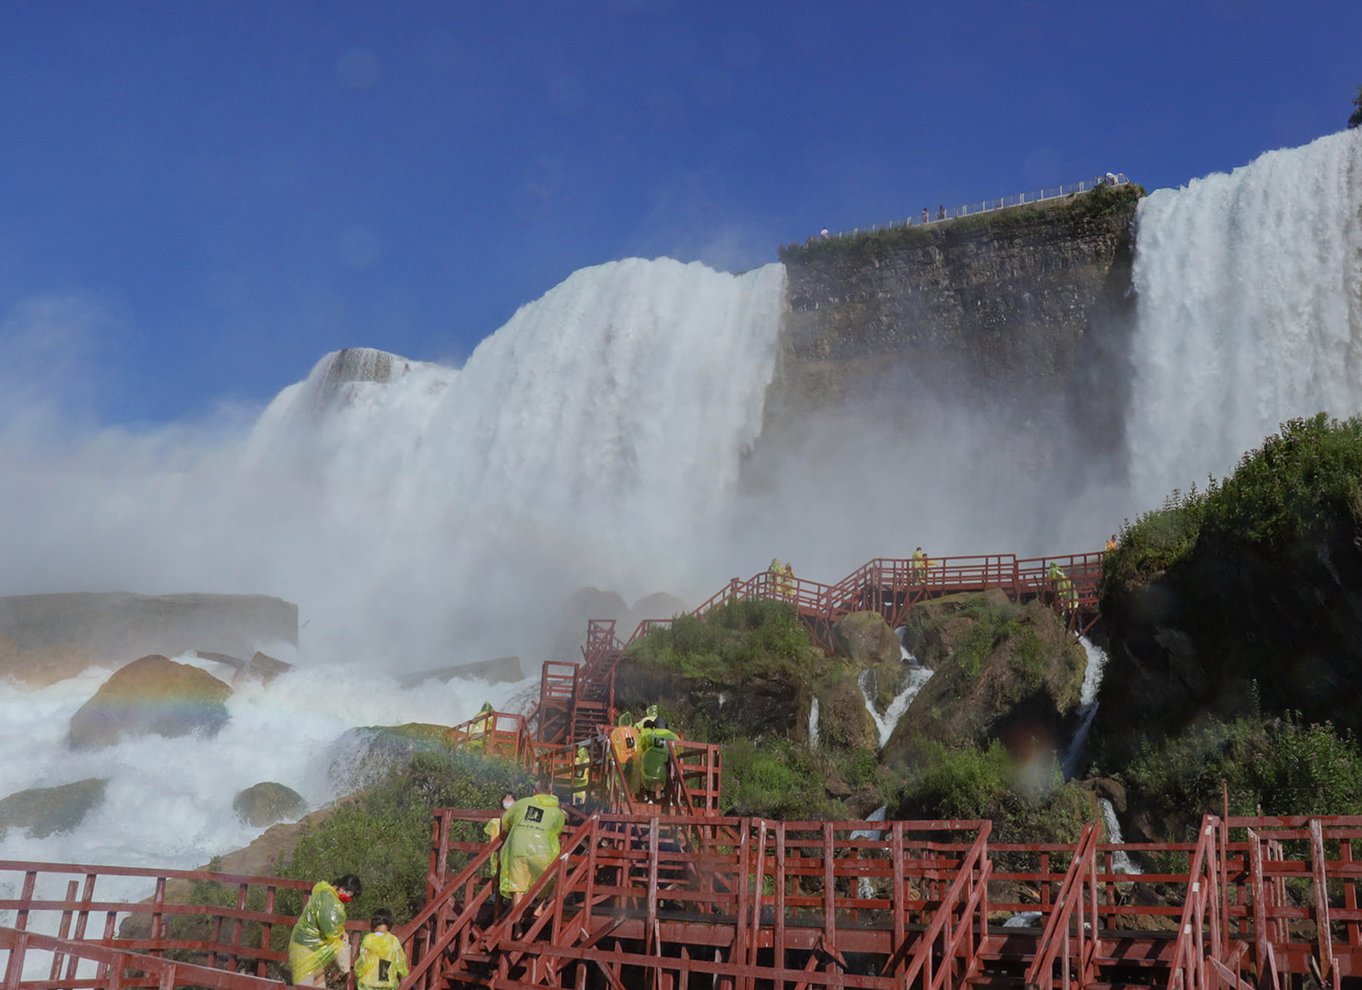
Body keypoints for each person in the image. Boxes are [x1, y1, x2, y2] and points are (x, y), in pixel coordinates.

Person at [499, 779, 567, 912]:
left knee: (517, 886)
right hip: (541, 851)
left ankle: (517, 928)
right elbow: (558, 831)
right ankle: (539, 907)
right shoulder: (557, 812)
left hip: (517, 848)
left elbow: (506, 820)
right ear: (551, 793)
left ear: (534, 792)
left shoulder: (522, 803)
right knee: (551, 879)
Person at [288, 874, 362, 988]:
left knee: (318, 983)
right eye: (348, 894)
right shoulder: (328, 898)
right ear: (342, 888)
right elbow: (330, 928)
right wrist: (341, 936)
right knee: (305, 985)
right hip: (306, 948)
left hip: (314, 948)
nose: (348, 899)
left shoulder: (325, 894)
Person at [355, 908, 409, 990]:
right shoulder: (393, 940)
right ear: (389, 924)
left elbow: (363, 958)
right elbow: (399, 959)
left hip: (369, 979)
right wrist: (403, 970)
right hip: (386, 978)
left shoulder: (368, 939)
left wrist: (359, 971)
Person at [636, 717, 681, 803]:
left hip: (650, 768)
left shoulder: (650, 735)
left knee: (644, 772)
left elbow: (641, 749)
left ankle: (648, 796)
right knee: (669, 775)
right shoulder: (673, 736)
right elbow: (680, 750)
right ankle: (668, 797)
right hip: (667, 768)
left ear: (654, 726)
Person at [483, 791, 516, 878]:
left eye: (511, 799)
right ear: (502, 801)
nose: (508, 801)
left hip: (512, 852)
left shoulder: (517, 818)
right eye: (506, 798)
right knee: (497, 873)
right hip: (497, 850)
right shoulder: (495, 819)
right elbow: (492, 838)